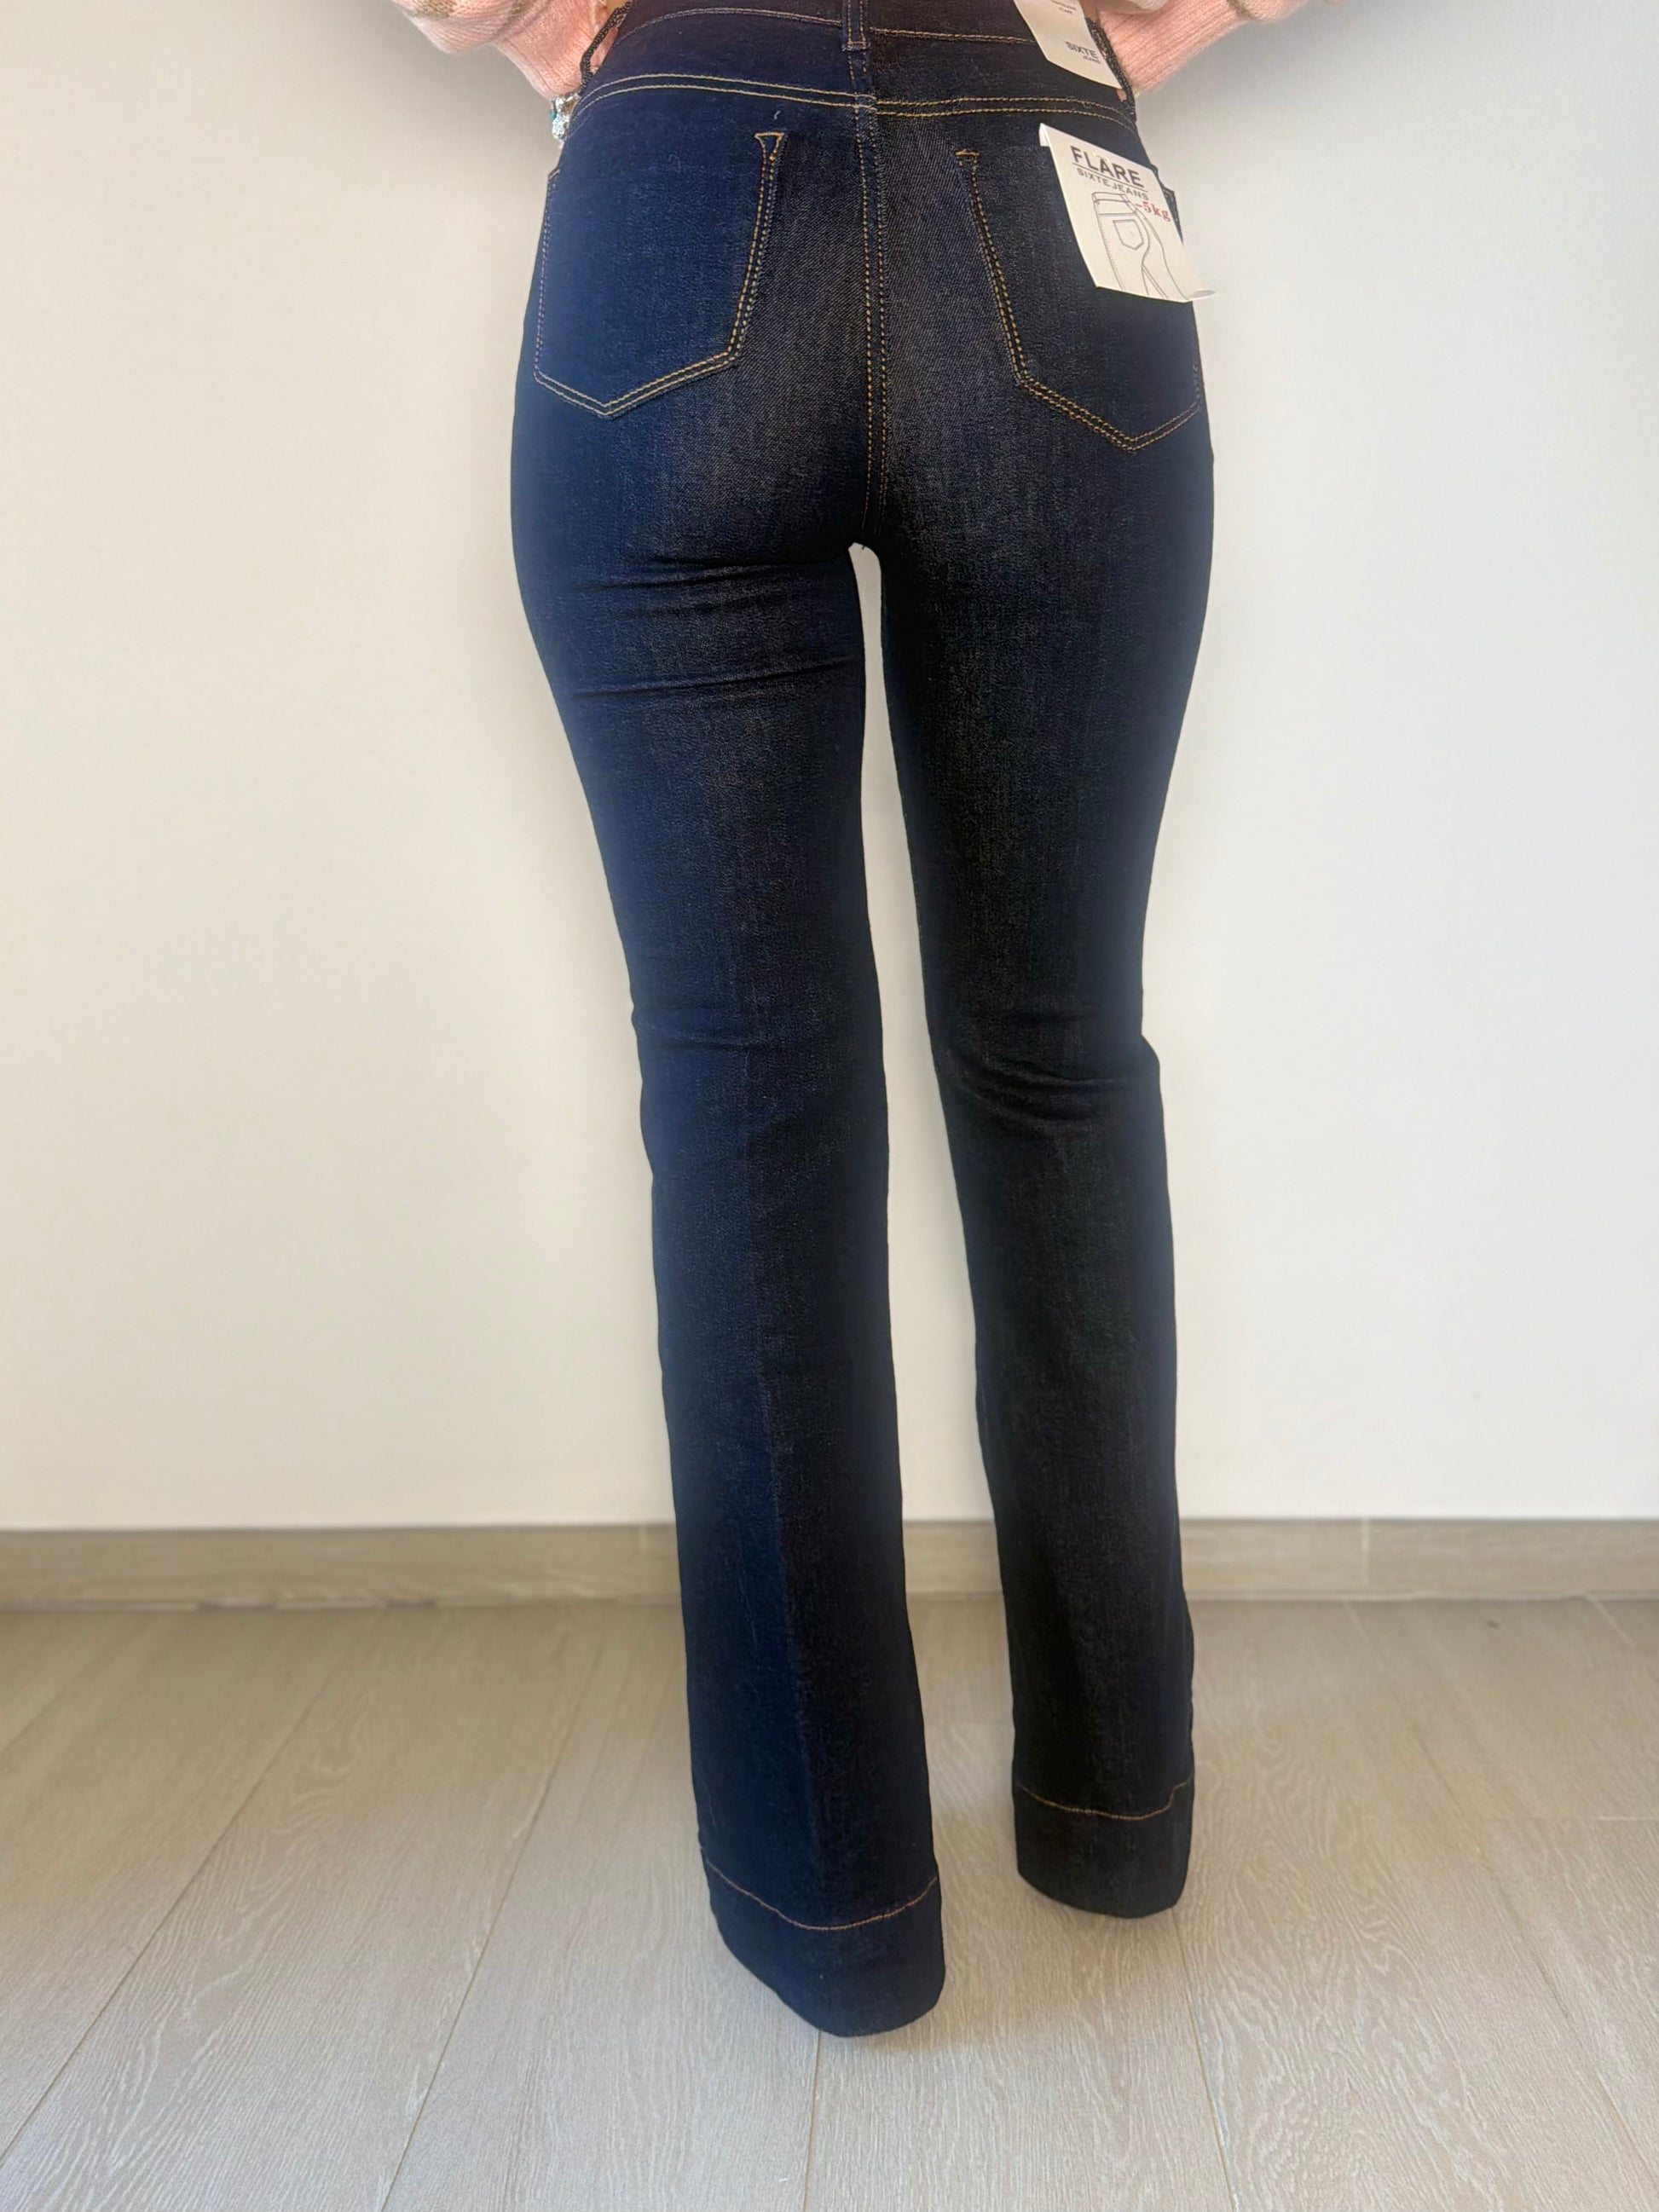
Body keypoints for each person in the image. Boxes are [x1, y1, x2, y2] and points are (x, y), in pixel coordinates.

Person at [384, 0, 1327, 2036]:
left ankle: (833, 1905)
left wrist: (538, 21)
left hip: (670, 189)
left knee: (744, 1090)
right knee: (1055, 1057)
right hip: (1044, 182)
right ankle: (1114, 1808)